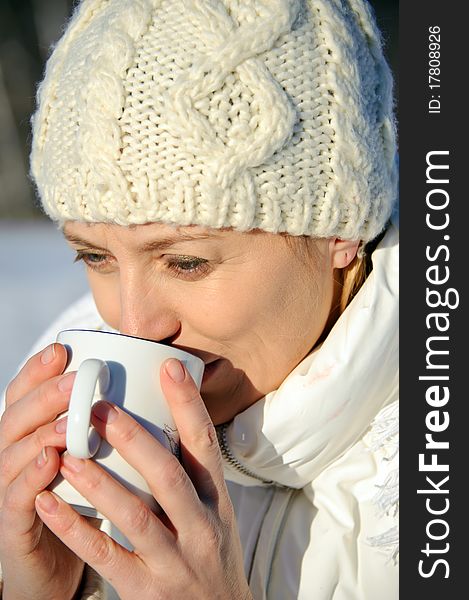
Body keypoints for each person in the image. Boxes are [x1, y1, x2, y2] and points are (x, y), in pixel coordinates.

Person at [0, 0, 399, 598]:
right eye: (95, 256)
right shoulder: (77, 375)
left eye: (186, 262)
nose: (133, 324)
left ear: (339, 232)